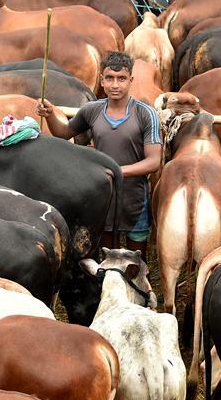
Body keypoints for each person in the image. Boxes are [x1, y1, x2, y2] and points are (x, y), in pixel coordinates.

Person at [35, 52, 163, 259]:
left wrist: (116, 171)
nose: (115, 85)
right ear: (101, 80)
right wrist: (50, 115)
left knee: (136, 259)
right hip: (102, 195)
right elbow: (64, 133)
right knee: (107, 256)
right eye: (110, 78)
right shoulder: (91, 110)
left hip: (135, 197)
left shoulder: (145, 113)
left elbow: (154, 161)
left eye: (121, 79)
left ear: (130, 80)